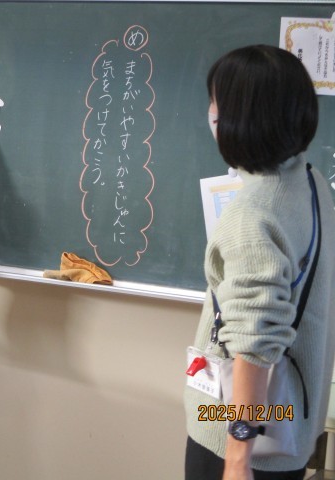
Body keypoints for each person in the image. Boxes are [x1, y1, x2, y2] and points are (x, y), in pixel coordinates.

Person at [184, 45, 335, 479]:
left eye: (217, 103)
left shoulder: (252, 216)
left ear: (242, 117)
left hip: (240, 445)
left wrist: (236, 459)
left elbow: (253, 343)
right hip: (293, 426)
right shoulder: (311, 182)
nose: (211, 114)